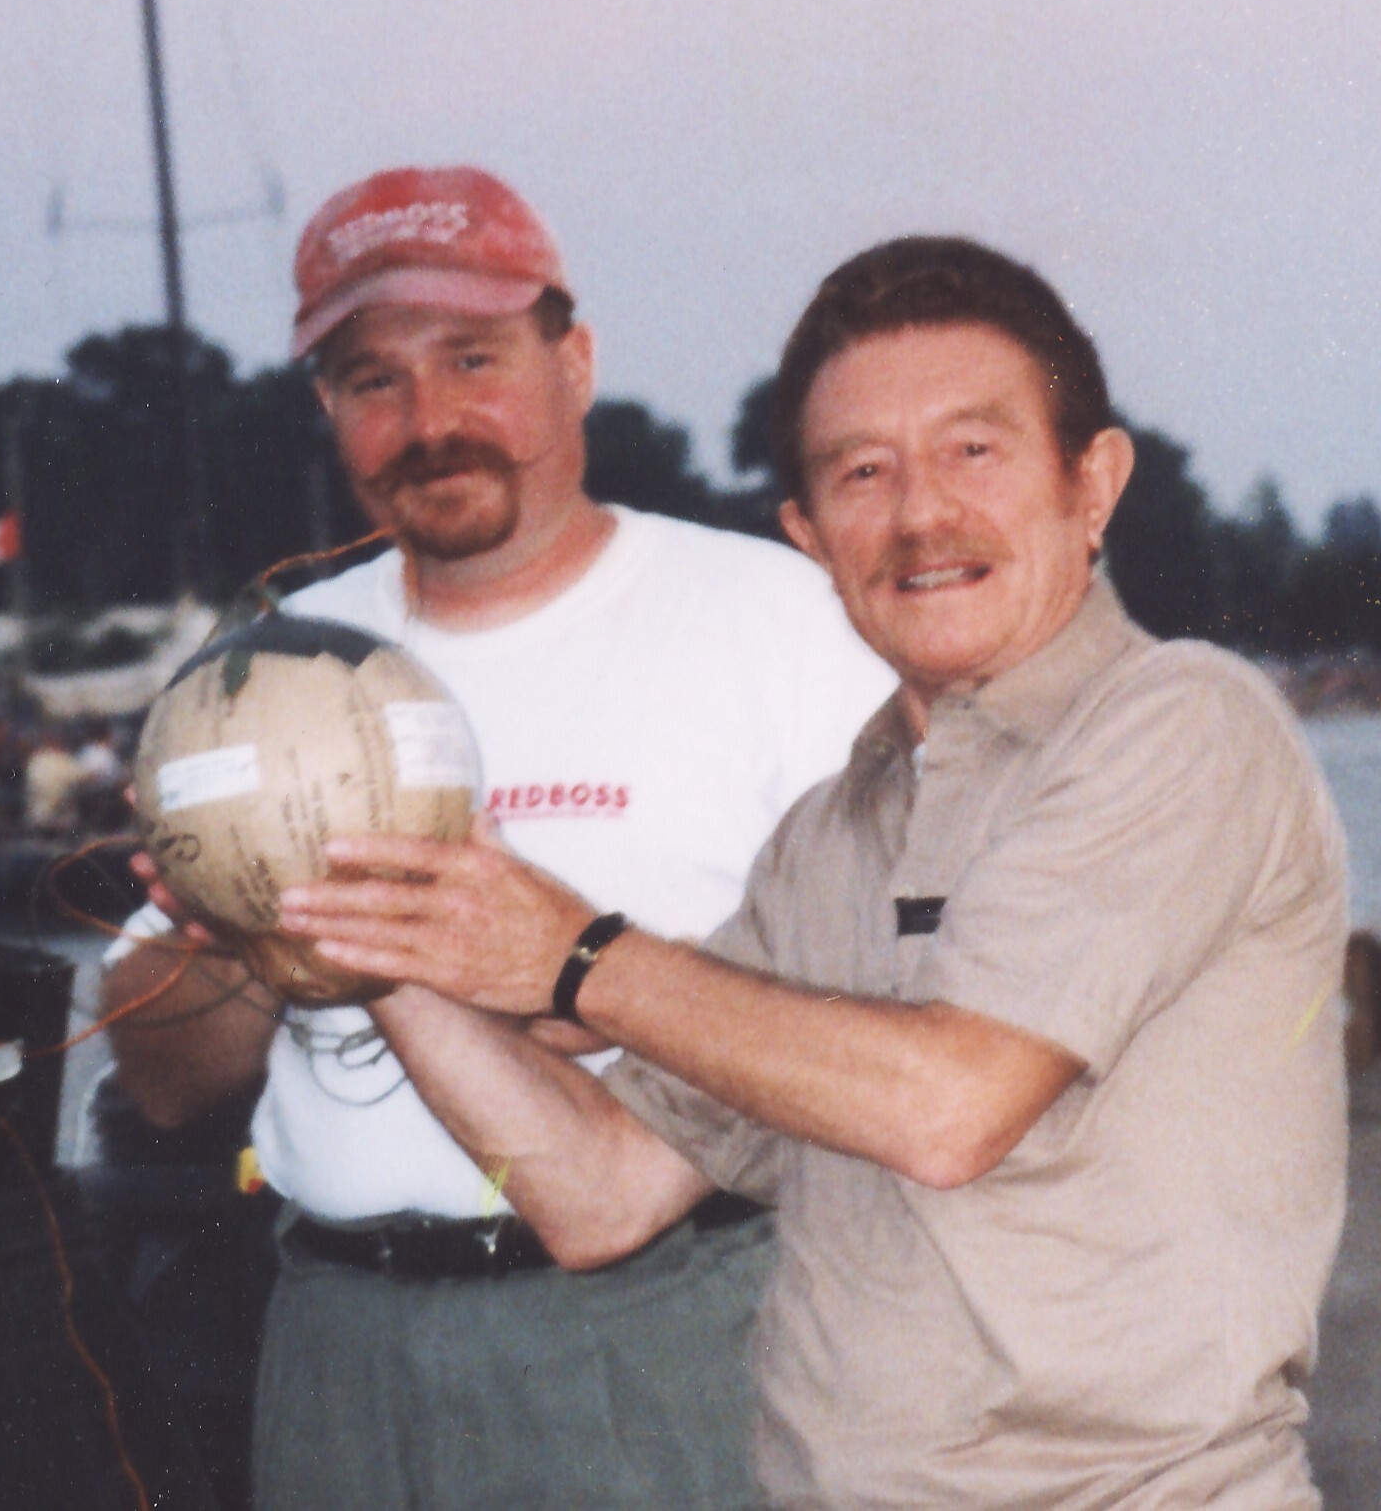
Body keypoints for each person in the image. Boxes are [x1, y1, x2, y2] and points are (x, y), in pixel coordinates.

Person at [275, 236, 1353, 1507]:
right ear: (807, 534)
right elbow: (602, 1194)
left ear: (1092, 483)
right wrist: (375, 945)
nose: (918, 514)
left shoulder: (1182, 723)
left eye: (973, 449)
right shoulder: (822, 841)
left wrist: (575, 958)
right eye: (860, 472)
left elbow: (950, 1105)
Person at [99, 165, 892, 1509]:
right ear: (328, 412)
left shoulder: (779, 622)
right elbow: (168, 1083)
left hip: (673, 1327)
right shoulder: (260, 675)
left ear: (572, 361)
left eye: (474, 359)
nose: (431, 421)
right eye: (374, 381)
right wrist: (237, 942)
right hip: (340, 1345)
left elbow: (884, 1002)